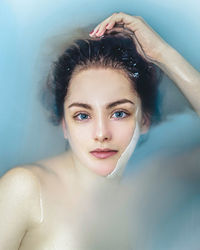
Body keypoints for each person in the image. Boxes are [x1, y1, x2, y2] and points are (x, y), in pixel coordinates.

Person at [0, 12, 199, 250]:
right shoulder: (26, 188)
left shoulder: (152, 190)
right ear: (65, 125)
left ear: (144, 120)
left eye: (119, 113)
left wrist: (162, 54)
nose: (102, 133)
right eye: (82, 115)